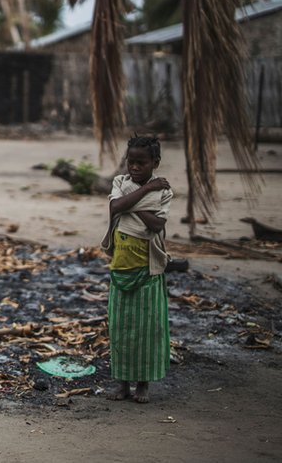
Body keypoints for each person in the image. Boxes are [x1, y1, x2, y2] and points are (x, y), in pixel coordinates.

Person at [100, 135, 173, 403]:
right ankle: (122, 385)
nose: (134, 168)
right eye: (131, 162)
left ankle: (143, 385)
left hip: (148, 273)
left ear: (155, 162)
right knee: (120, 331)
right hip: (120, 270)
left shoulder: (163, 191)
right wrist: (143, 193)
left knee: (146, 332)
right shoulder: (121, 183)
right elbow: (115, 207)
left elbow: (156, 225)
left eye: (141, 163)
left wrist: (130, 204)